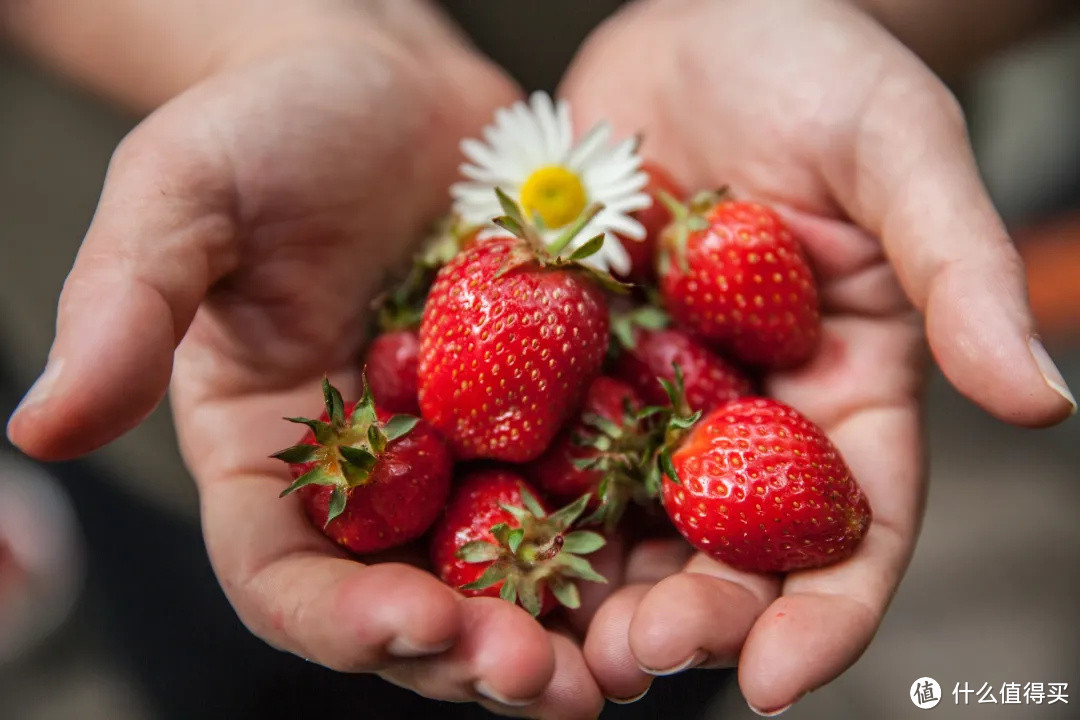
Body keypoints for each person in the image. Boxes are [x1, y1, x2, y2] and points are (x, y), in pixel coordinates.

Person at [3, 0, 1075, 717]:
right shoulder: (495, 348)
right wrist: (261, 42)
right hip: (220, 373)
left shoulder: (582, 342)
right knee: (223, 666)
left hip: (713, 151)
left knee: (660, 665)